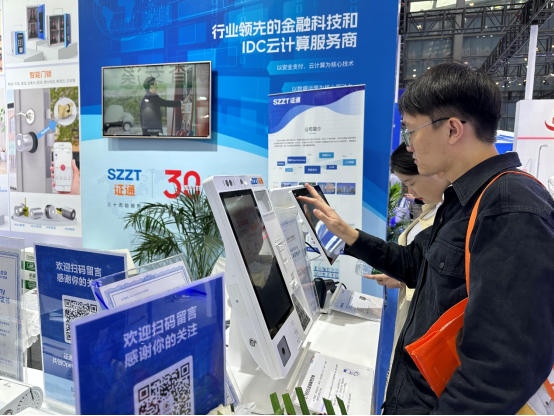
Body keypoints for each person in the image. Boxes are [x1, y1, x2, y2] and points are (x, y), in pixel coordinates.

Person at [299, 63, 554, 414]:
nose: (409, 146)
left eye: (411, 131)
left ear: (452, 129)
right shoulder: (465, 200)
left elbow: (500, 368)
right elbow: (417, 265)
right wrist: (349, 235)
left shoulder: (508, 206)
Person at [367, 143, 449, 365]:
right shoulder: (433, 209)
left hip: (425, 323)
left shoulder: (448, 220)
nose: (410, 193)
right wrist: (402, 278)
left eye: (411, 183)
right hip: (413, 312)